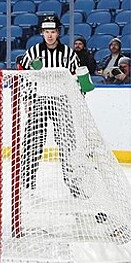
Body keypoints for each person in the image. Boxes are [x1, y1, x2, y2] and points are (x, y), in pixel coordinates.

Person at [19, 15, 83, 197]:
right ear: (42, 33)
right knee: (33, 142)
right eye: (46, 32)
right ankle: (27, 183)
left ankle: (73, 183)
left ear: (58, 33)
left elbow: (76, 78)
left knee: (67, 143)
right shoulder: (32, 52)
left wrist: (76, 98)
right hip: (39, 100)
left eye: (53, 32)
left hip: (62, 100)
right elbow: (25, 77)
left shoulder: (69, 54)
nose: (49, 35)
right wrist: (28, 99)